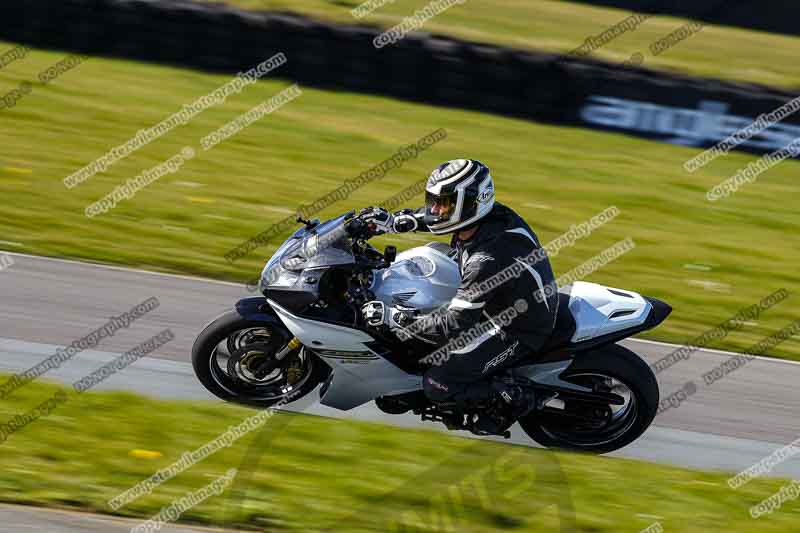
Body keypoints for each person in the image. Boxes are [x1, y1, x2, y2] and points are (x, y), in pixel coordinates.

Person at [359, 159, 559, 434]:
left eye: (445, 203)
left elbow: (454, 325)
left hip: (516, 328)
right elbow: (441, 218)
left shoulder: (486, 259)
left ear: (472, 203)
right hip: (501, 302)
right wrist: (394, 222)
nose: (436, 210)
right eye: (434, 202)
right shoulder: (490, 217)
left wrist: (396, 318)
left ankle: (514, 400)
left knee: (438, 383)